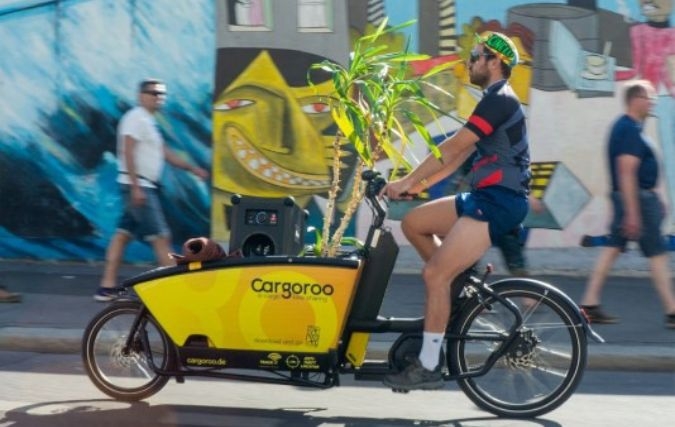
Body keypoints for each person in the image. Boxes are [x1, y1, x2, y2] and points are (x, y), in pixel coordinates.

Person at [381, 32, 530, 390]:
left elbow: (451, 147)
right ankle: (457, 286)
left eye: (476, 55)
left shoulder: (500, 101)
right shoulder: (492, 101)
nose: (470, 60)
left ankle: (429, 364)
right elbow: (459, 158)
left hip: (498, 202)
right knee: (415, 223)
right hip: (484, 196)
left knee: (434, 275)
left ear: (494, 62)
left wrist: (406, 180)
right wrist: (416, 188)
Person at [94, 79, 209, 302]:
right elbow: (127, 151)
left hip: (142, 186)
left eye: (162, 94)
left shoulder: (149, 122)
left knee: (122, 236)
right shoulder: (135, 118)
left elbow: (165, 153)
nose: (158, 97)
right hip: (140, 187)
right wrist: (137, 188)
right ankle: (177, 292)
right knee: (161, 237)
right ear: (141, 95)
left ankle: (106, 287)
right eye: (154, 93)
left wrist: (192, 168)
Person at [580, 80, 675, 328]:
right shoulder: (630, 130)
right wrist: (633, 213)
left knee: (613, 247)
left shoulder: (628, 127)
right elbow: (626, 171)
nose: (652, 102)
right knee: (657, 254)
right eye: (648, 98)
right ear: (635, 100)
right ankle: (672, 311)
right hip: (638, 202)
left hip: (635, 198)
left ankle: (589, 304)